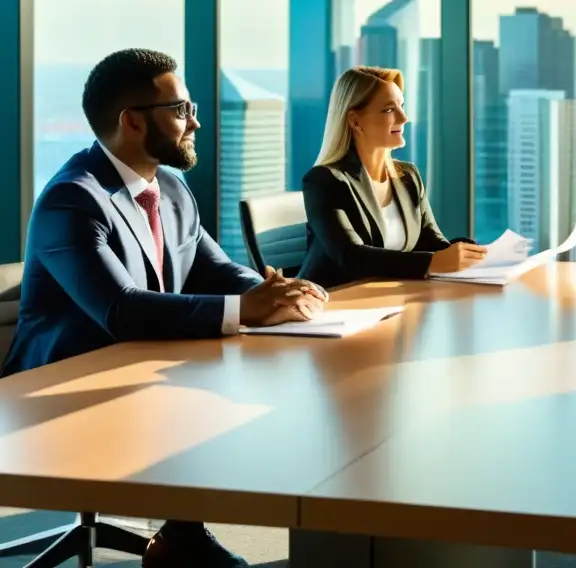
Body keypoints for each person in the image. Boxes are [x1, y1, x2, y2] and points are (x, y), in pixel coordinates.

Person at [1, 48, 327, 567]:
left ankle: (181, 534)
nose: (195, 120)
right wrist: (247, 311)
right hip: (59, 391)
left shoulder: (170, 188)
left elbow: (216, 271)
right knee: (222, 403)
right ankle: (183, 539)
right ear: (132, 121)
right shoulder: (73, 199)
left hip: (140, 368)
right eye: (180, 110)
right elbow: (121, 310)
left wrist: (273, 292)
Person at [298, 66, 485, 288]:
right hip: (334, 304)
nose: (404, 118)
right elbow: (352, 258)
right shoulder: (325, 181)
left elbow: (430, 242)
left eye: (402, 106)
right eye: (389, 110)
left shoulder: (408, 176)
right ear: (356, 122)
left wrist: (464, 252)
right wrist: (434, 262)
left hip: (389, 299)